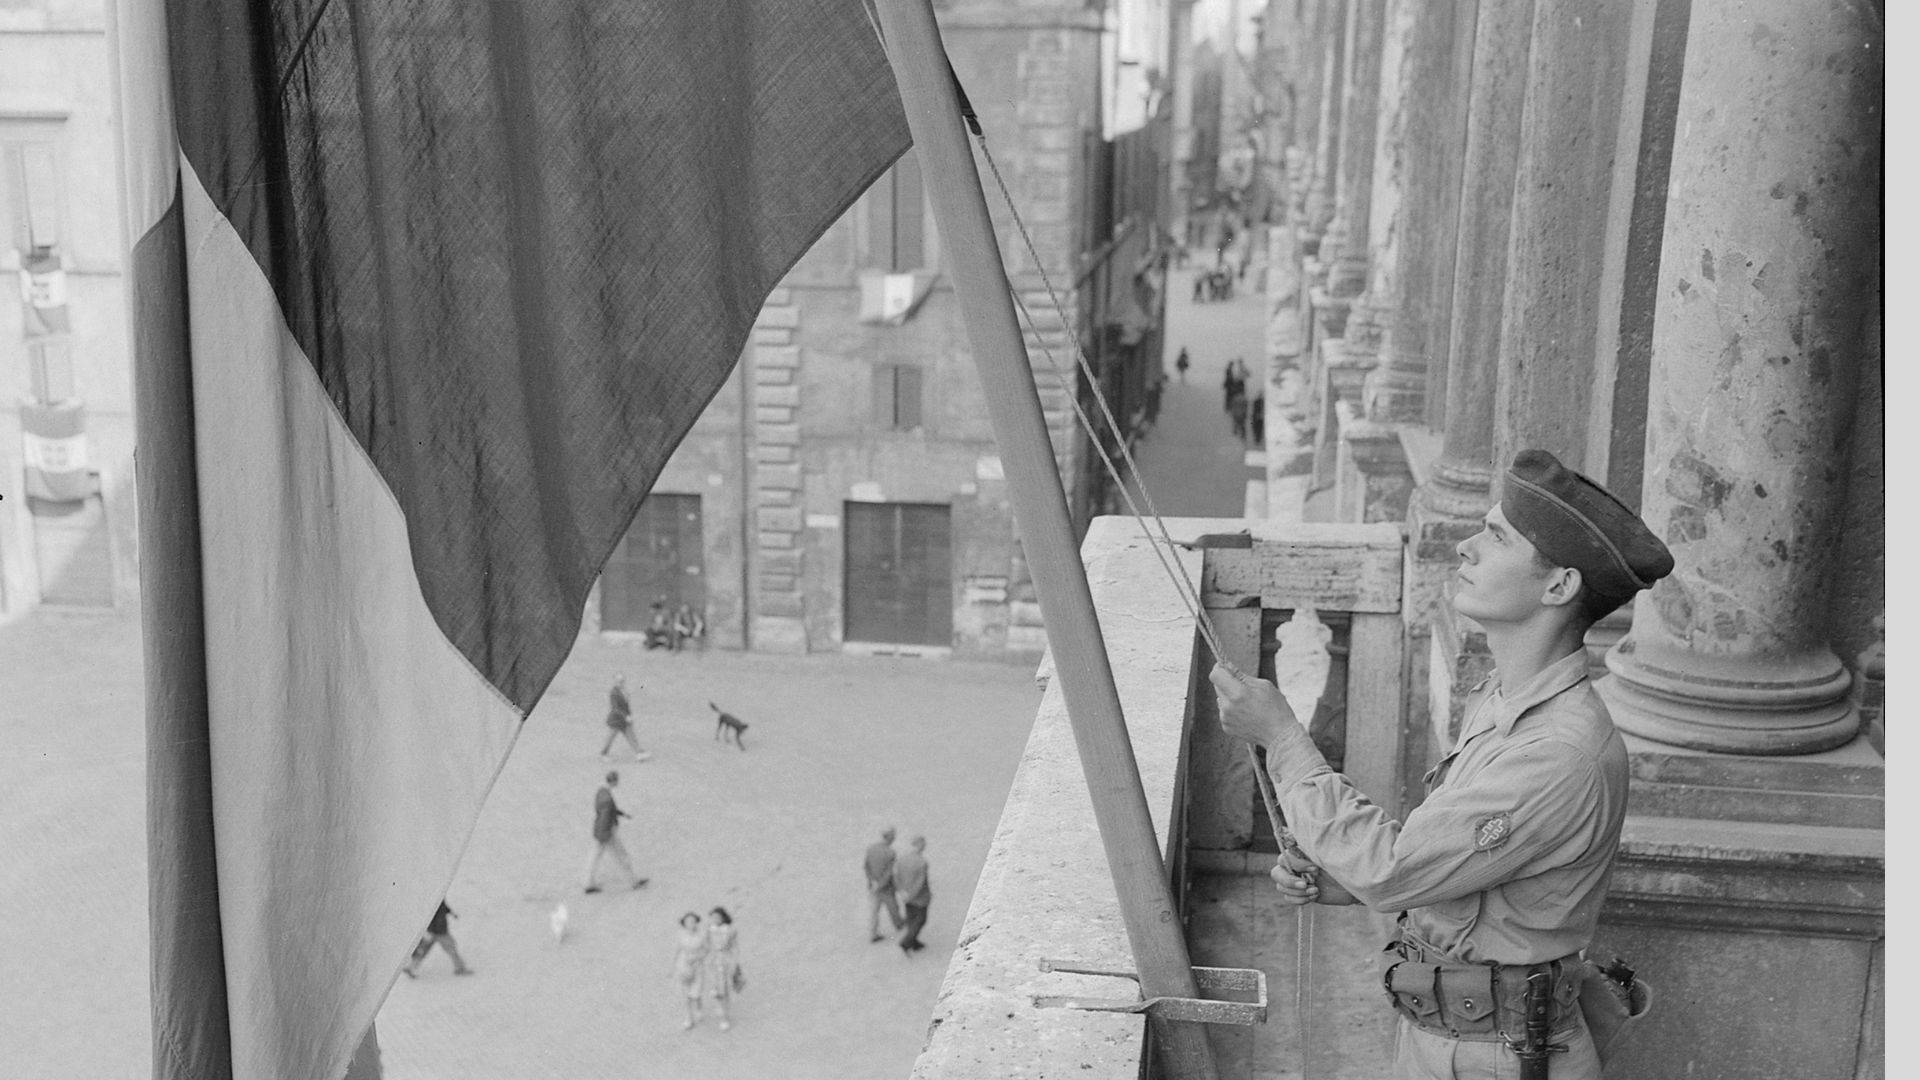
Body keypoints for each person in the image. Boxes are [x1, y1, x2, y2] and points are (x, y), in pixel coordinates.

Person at [1210, 449, 1674, 1080]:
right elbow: (1468, 874)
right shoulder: (1502, 697)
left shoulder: (1557, 753)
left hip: (1504, 1058)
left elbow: (1391, 868)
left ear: (1559, 586)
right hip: (1451, 1037)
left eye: (1496, 536)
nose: (1465, 547)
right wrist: (1342, 882)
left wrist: (1284, 740)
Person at [583, 770, 648, 893]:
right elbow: (607, 815)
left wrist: (622, 814)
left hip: (599, 830)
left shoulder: (600, 792)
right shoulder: (607, 798)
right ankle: (633, 881)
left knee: (594, 856)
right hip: (608, 832)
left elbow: (604, 811)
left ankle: (588, 883)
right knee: (622, 855)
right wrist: (606, 833)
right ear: (614, 781)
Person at [401, 899, 472, 977]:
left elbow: (444, 907)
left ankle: (411, 968)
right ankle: (460, 968)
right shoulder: (432, 899)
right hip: (439, 932)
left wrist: (451, 913)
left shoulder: (437, 897)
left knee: (422, 950)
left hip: (434, 931)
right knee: (451, 949)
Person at [702, 906, 742, 1030]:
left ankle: (724, 1017)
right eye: (713, 917)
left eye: (718, 917)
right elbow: (705, 944)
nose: (715, 919)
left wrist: (735, 962)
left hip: (725, 961)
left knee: (723, 990)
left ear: (723, 918)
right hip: (713, 961)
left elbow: (735, 947)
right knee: (715, 990)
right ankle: (721, 1009)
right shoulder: (709, 930)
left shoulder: (730, 930)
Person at [894, 835, 931, 955]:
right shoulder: (921, 862)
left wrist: (902, 892)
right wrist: (911, 895)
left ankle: (914, 942)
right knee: (921, 919)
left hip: (905, 896)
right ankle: (907, 941)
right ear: (919, 845)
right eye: (923, 844)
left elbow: (896, 877)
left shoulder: (902, 859)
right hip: (919, 898)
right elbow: (920, 883)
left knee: (911, 919)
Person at [670, 911, 708, 1030]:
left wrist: (698, 958)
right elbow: (677, 949)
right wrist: (673, 966)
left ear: (696, 921)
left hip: (697, 966)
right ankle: (688, 1017)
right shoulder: (680, 934)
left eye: (692, 921)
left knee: (696, 994)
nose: (690, 923)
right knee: (686, 995)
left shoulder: (702, 935)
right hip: (684, 965)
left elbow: (707, 950)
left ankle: (698, 1008)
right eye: (687, 922)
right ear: (684, 924)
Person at [864, 827, 902, 942]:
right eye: (893, 836)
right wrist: (881, 884)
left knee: (874, 911)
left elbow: (866, 867)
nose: (894, 838)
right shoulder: (890, 852)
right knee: (894, 909)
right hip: (885, 888)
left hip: (873, 886)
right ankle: (901, 930)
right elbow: (889, 872)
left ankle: (873, 934)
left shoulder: (871, 849)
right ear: (889, 837)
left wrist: (871, 881)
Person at [600, 674, 649, 760]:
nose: (621, 683)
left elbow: (626, 706)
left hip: (624, 720)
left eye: (622, 681)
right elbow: (616, 708)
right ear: (615, 682)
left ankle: (639, 753)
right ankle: (603, 754)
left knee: (631, 736)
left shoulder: (624, 691)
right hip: (616, 720)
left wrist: (629, 715)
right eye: (619, 681)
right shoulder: (614, 693)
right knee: (610, 738)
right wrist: (626, 716)